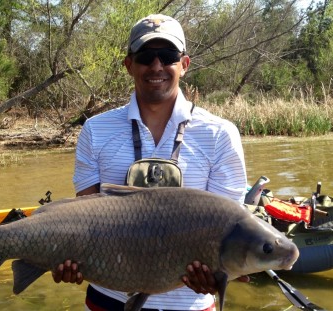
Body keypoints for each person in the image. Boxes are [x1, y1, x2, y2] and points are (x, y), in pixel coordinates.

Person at [53, 14, 248, 311]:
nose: (156, 66)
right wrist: (63, 258)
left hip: (191, 305)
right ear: (129, 65)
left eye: (167, 56)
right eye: (145, 56)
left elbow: (227, 228)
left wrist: (221, 275)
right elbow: (83, 219)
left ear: (184, 64)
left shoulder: (220, 134)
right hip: (108, 300)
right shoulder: (95, 129)